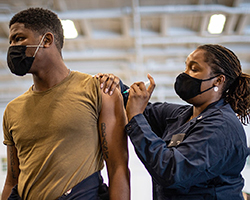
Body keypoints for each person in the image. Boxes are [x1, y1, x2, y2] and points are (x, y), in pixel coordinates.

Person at [1, 7, 130, 200]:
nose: (13, 47)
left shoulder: (98, 90)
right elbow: (12, 180)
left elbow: (118, 167)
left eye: (19, 39)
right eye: (10, 41)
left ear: (46, 40)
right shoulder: (12, 110)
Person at [99, 44, 250, 199]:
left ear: (218, 80)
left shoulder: (221, 126)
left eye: (194, 69)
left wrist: (135, 116)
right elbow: (146, 110)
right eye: (186, 67)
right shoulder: (183, 115)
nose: (185, 74)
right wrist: (116, 85)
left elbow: (171, 171)